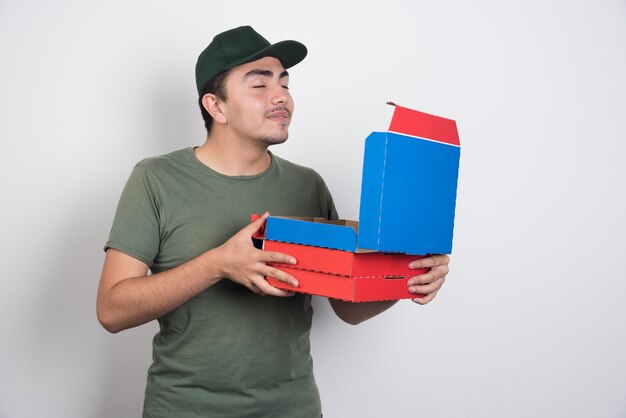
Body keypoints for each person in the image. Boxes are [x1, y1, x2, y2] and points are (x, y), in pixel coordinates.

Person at [96, 25, 449, 418]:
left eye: (284, 82)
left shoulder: (308, 184)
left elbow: (346, 308)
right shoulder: (156, 179)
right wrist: (217, 264)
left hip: (292, 407)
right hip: (185, 408)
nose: (281, 95)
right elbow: (112, 310)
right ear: (216, 106)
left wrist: (404, 279)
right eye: (259, 85)